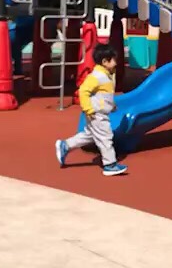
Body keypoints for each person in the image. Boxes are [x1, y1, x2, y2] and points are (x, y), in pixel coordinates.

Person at [55, 44, 128, 176]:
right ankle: (110, 164)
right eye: (113, 60)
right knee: (105, 137)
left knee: (89, 135)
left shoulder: (106, 75)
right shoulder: (97, 76)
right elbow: (83, 91)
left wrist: (111, 105)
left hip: (98, 112)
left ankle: (65, 145)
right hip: (96, 113)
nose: (116, 63)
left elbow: (104, 95)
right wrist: (88, 109)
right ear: (105, 62)